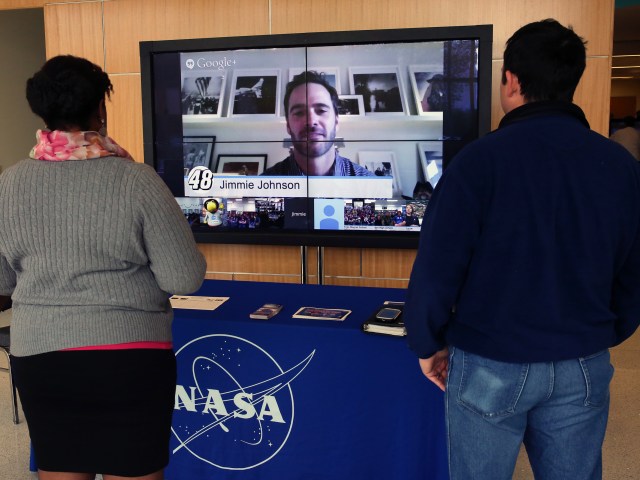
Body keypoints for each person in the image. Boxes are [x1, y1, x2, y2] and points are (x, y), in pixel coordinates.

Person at [404, 19, 640, 480]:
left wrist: (427, 343)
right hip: (583, 360)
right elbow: (633, 271)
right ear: (572, 81)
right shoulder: (619, 165)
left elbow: (436, 268)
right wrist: (603, 333)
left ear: (510, 80)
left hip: (489, 361)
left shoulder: (477, 162)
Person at [0, 55, 207, 480]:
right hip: (129, 360)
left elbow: (2, 280)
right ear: (101, 109)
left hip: (41, 359)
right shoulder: (137, 180)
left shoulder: (8, 183)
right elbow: (183, 277)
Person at [261, 71, 373, 176]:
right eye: (299, 112)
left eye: (321, 110)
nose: (311, 121)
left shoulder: (372, 188)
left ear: (336, 121)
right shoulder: (260, 190)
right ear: (288, 126)